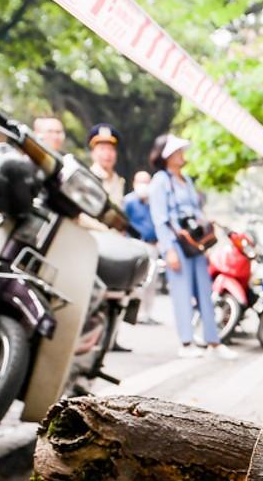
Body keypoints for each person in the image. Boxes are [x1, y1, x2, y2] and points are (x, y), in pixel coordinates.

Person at [147, 134, 236, 361]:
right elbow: (160, 218)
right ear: (166, 155)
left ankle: (213, 341)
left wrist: (205, 240)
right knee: (181, 293)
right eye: (177, 151)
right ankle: (186, 342)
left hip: (195, 244)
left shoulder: (186, 180)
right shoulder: (160, 181)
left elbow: (197, 212)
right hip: (176, 243)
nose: (181, 155)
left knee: (205, 292)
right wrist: (168, 249)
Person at [121, 169, 162, 324]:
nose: (144, 185)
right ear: (134, 183)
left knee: (151, 283)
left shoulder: (154, 202)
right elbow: (123, 224)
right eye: (141, 182)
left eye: (147, 182)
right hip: (135, 245)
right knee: (137, 282)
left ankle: (147, 314)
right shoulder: (129, 201)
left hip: (153, 246)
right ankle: (132, 314)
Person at [78, 123, 125, 233]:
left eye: (111, 149)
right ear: (93, 153)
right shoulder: (86, 178)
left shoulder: (118, 181)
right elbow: (81, 216)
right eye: (102, 149)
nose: (107, 154)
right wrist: (106, 231)